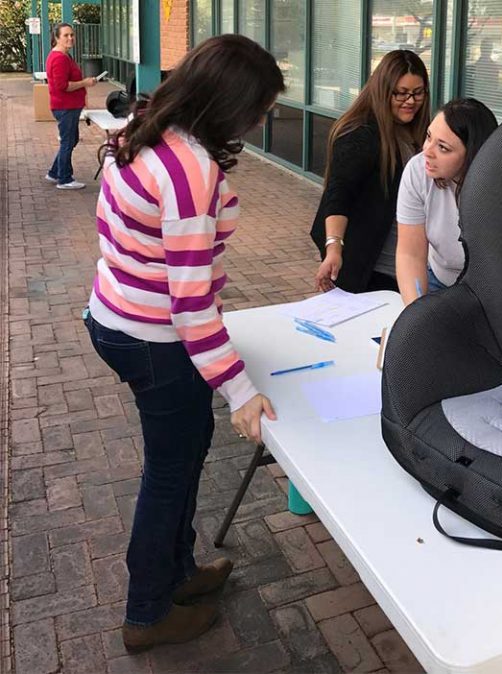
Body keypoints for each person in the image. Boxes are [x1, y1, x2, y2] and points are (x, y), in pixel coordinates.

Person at [83, 35, 284, 652]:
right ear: (228, 104)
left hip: (114, 315)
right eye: (259, 107)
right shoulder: (191, 171)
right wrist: (240, 390)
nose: (263, 119)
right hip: (154, 338)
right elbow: (191, 303)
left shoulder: (147, 128)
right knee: (169, 472)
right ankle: (147, 614)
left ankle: (179, 573)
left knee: (188, 447)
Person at [311, 50, 430, 293]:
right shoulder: (360, 133)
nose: (410, 101)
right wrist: (333, 248)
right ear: (382, 90)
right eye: (401, 93)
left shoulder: (419, 132)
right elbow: (339, 194)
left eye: (418, 93)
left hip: (411, 264)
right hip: (372, 268)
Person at [396, 98, 498, 305]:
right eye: (428, 137)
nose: (427, 151)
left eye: (443, 148)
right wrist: (414, 310)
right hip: (439, 279)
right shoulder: (418, 171)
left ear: (472, 156)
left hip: (492, 290)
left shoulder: (501, 187)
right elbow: (410, 254)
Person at [45, 22, 96, 190]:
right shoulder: (59, 58)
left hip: (69, 106)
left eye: (72, 35)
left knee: (71, 140)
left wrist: (83, 89)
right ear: (57, 38)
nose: (70, 38)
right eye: (66, 35)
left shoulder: (64, 56)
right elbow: (63, 86)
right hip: (65, 107)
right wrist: (85, 83)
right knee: (68, 141)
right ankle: (64, 179)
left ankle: (54, 172)